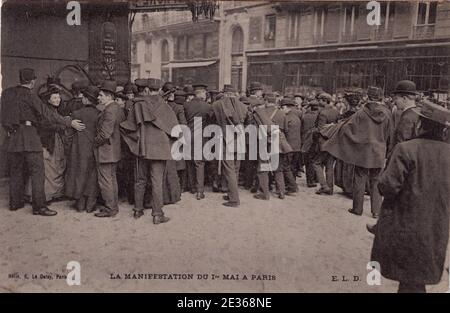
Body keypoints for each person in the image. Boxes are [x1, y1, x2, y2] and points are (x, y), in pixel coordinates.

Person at [370, 100, 450, 293]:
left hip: (406, 223)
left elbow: (387, 186)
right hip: (436, 224)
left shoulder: (406, 149)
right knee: (416, 278)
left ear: (421, 124)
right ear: (442, 130)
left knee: (409, 278)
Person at [0, 68, 85, 216]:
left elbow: (3, 115)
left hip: (12, 138)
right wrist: (69, 122)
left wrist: (8, 128)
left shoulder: (7, 93)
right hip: (30, 137)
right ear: (32, 81)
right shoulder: (30, 96)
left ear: (20, 79)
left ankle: (15, 203)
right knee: (38, 171)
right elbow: (47, 114)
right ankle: (39, 207)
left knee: (15, 171)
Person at [323, 87, 392, 218]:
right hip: (379, 151)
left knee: (359, 179)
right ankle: (376, 211)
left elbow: (348, 129)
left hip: (363, 152)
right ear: (380, 97)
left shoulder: (361, 113)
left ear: (368, 96)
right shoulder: (387, 113)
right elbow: (390, 133)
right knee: (376, 180)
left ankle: (357, 209)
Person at [121, 78, 178, 224]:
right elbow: (176, 131)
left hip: (143, 148)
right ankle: (157, 214)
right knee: (157, 181)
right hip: (160, 149)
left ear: (146, 89)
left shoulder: (138, 105)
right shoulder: (166, 107)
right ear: (159, 90)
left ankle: (137, 210)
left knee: (140, 180)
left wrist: (136, 142)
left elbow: (127, 127)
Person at [210, 84, 249, 207]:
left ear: (224, 93)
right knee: (236, 169)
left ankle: (234, 200)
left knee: (229, 170)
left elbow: (211, 120)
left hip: (227, 140)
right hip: (241, 139)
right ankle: (232, 193)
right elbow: (248, 122)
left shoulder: (217, 105)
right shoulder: (243, 106)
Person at [65, 85, 100, 212]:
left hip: (78, 149)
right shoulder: (99, 114)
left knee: (79, 174)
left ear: (85, 99)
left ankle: (80, 205)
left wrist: (68, 149)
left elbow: (68, 135)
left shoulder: (76, 114)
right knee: (92, 176)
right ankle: (90, 205)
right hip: (94, 149)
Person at [93, 80, 126, 218]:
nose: (98, 98)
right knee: (111, 179)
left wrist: (94, 142)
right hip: (114, 150)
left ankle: (110, 208)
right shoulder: (117, 108)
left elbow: (105, 133)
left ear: (108, 96)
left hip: (106, 151)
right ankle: (113, 206)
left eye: (100, 95)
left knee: (105, 180)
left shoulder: (109, 110)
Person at [36, 86, 68, 202]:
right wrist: (62, 126)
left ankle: (56, 193)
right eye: (54, 98)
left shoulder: (55, 110)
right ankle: (47, 195)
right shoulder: (46, 111)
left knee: (57, 166)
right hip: (48, 140)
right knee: (49, 167)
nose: (57, 100)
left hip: (56, 140)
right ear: (48, 100)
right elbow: (44, 126)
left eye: (59, 97)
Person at [183, 83, 212, 200]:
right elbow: (210, 122)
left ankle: (192, 187)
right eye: (204, 92)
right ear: (201, 93)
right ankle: (200, 191)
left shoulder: (186, 105)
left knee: (190, 162)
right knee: (199, 163)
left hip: (188, 136)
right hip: (201, 137)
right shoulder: (207, 106)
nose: (206, 94)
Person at [313, 92, 340, 195]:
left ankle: (324, 186)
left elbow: (320, 129)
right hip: (333, 142)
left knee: (317, 163)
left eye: (320, 100)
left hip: (323, 142)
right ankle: (330, 188)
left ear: (324, 101)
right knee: (329, 166)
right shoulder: (336, 112)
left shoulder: (323, 113)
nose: (319, 103)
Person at [389, 80, 420, 155]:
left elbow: (401, 145)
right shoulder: (418, 113)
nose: (394, 102)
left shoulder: (406, 118)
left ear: (404, 98)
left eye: (396, 98)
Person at [280, 98, 301, 194]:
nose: (281, 109)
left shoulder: (286, 118)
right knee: (292, 167)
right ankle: (290, 185)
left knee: (285, 167)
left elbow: (284, 132)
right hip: (297, 146)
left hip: (289, 146)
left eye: (282, 107)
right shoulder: (296, 117)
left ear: (287, 107)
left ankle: (292, 186)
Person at [300, 100, 320, 187]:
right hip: (316, 141)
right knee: (316, 160)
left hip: (306, 141)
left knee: (308, 162)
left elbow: (301, 129)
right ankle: (316, 178)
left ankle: (310, 181)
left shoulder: (305, 116)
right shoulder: (319, 116)